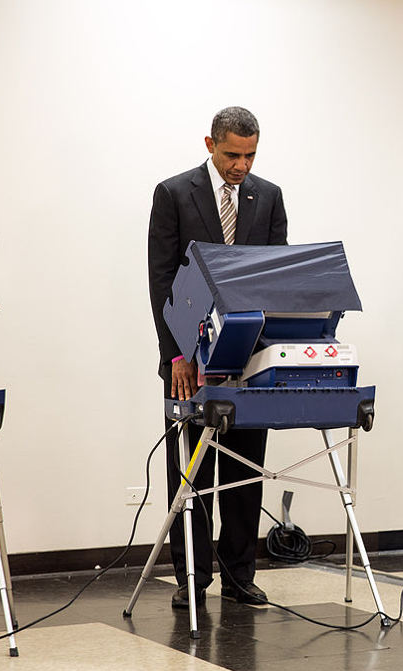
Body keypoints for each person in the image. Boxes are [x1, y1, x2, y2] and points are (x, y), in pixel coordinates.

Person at [148, 106, 287, 608]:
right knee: (192, 471)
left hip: (249, 357)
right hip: (191, 358)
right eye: (232, 154)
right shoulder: (172, 194)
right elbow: (161, 281)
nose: (241, 166)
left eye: (250, 155)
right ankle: (190, 577)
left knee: (245, 470)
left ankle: (239, 574)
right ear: (210, 144)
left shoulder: (267, 197)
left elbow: (274, 278)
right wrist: (177, 354)